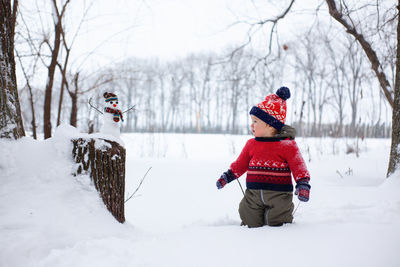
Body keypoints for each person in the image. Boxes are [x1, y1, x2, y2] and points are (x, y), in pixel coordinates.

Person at [216, 87, 311, 227]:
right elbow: (240, 164)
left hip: (279, 196)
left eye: (255, 121)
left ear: (270, 125)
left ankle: (276, 238)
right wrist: (227, 176)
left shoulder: (287, 145)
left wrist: (303, 184)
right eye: (252, 121)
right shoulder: (251, 144)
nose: (251, 125)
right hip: (253, 196)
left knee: (278, 220)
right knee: (247, 214)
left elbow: (298, 166)